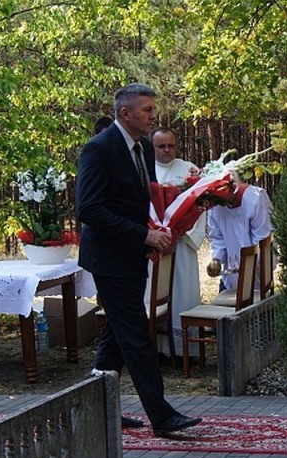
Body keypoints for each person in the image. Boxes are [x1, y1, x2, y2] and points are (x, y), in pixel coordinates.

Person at [75, 83, 201, 436]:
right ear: (124, 113)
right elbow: (88, 209)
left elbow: (140, 202)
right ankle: (161, 415)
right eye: (146, 109)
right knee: (136, 335)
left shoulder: (143, 149)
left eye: (153, 109)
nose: (153, 116)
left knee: (115, 335)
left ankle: (100, 410)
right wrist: (143, 234)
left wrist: (159, 228)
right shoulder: (98, 150)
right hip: (109, 259)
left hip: (133, 255)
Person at [150, 127, 204, 357]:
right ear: (152, 147)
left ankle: (184, 351)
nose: (166, 150)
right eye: (161, 146)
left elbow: (202, 206)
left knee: (183, 294)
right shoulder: (144, 170)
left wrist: (180, 232)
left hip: (182, 245)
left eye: (170, 145)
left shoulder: (189, 170)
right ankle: (158, 350)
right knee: (153, 296)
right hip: (153, 247)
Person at [206, 174, 273, 291]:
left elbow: (263, 239)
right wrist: (216, 259)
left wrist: (247, 264)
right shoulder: (215, 205)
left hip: (257, 272)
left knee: (256, 301)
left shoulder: (254, 199)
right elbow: (218, 238)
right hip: (230, 276)